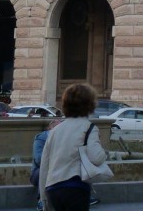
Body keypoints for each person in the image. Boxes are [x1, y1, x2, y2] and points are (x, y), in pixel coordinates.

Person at [39, 83, 109, 211]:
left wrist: (43, 198)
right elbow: (96, 158)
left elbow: (45, 165)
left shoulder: (55, 130)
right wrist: (104, 151)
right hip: (76, 187)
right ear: (90, 105)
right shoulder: (89, 128)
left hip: (52, 188)